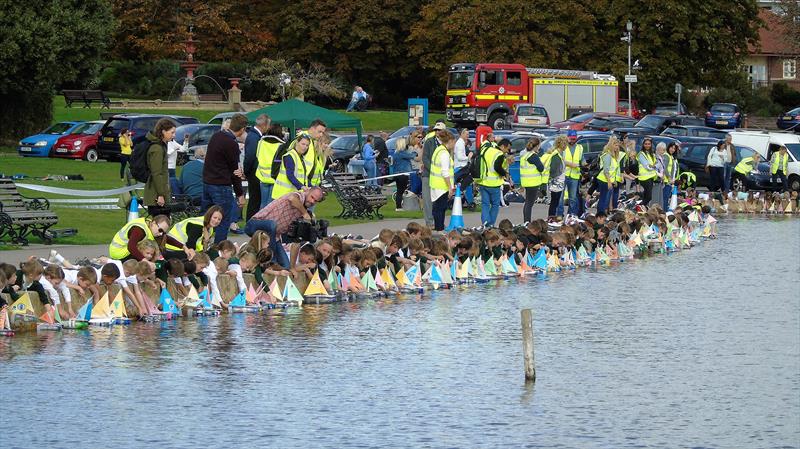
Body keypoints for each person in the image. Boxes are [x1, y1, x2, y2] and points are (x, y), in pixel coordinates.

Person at [245, 186, 325, 269]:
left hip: (273, 236)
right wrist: (305, 213)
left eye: (315, 201)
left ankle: (272, 264)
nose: (312, 201)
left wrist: (293, 268)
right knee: (272, 225)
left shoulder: (303, 215)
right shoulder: (300, 196)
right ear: (308, 192)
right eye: (312, 197)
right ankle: (272, 261)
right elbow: (292, 199)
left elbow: (296, 243)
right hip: (254, 225)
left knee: (286, 266)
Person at [203, 113, 247, 243]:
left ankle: (200, 243)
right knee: (223, 219)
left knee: (205, 218)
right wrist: (240, 194)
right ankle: (219, 248)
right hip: (221, 185)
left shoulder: (216, 136)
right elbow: (235, 171)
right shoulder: (231, 144)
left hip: (207, 182)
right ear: (243, 129)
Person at [109, 215, 194, 263]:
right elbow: (131, 247)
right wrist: (145, 261)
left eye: (163, 232)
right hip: (119, 253)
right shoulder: (139, 230)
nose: (160, 233)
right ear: (153, 223)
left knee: (155, 256)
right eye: (160, 230)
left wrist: (184, 248)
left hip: (126, 251)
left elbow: (167, 238)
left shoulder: (150, 226)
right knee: (150, 253)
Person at [144, 118, 175, 217]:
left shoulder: (161, 146)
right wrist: (161, 195)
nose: (173, 135)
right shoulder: (157, 149)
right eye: (172, 132)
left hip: (159, 192)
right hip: (156, 195)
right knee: (160, 225)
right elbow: (156, 173)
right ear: (163, 132)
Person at [243, 114, 271, 221]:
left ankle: (252, 221)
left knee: (256, 199)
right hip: (254, 173)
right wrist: (247, 171)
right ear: (264, 125)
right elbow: (250, 157)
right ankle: (251, 222)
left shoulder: (253, 136)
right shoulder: (254, 137)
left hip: (254, 172)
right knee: (255, 199)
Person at [477, 136, 508, 227]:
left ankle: (485, 222)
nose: (507, 151)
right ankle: (490, 224)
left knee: (485, 204)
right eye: (507, 148)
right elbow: (497, 167)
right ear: (502, 146)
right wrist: (504, 173)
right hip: (494, 183)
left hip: (483, 181)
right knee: (495, 204)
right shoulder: (499, 154)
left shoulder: (486, 150)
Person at [421, 121, 446, 227]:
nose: (437, 132)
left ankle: (438, 222)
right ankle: (429, 222)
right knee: (427, 199)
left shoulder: (446, 142)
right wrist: (433, 169)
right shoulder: (429, 142)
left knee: (439, 200)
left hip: (441, 176)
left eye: (439, 130)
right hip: (428, 174)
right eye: (436, 130)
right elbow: (425, 157)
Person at [255, 123, 285, 209]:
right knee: (271, 206)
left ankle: (261, 221)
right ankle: (267, 222)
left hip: (262, 176)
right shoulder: (281, 145)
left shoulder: (261, 142)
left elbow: (257, 155)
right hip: (275, 178)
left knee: (263, 204)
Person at [430, 132, 456, 231]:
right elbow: (445, 172)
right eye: (454, 142)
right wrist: (450, 187)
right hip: (442, 185)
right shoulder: (444, 154)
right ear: (450, 141)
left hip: (436, 184)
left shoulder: (438, 150)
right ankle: (440, 229)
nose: (454, 145)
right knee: (441, 209)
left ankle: (438, 228)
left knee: (437, 209)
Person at [272, 135, 312, 199]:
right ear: (297, 143)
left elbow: (303, 177)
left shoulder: (300, 157)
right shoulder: (290, 156)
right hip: (282, 195)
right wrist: (301, 186)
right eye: (303, 144)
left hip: (291, 195)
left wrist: (312, 187)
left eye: (307, 145)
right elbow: (290, 175)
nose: (305, 147)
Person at [520, 137, 545, 223]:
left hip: (526, 182)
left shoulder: (525, 155)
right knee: (529, 204)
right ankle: (527, 222)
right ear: (537, 146)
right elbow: (541, 168)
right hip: (533, 182)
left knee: (527, 203)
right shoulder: (533, 156)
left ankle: (526, 221)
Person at [563, 130, 586, 216]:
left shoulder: (579, 148)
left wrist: (585, 164)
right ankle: (559, 215)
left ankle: (571, 215)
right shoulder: (564, 147)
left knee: (573, 198)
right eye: (571, 139)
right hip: (564, 174)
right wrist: (571, 164)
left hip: (575, 176)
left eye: (574, 139)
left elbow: (582, 159)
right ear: (567, 138)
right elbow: (561, 160)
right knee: (561, 198)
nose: (572, 141)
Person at [596, 137, 620, 215]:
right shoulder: (608, 156)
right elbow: (606, 170)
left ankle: (602, 215)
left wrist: (614, 180)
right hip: (604, 180)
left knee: (606, 198)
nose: (617, 147)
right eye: (615, 145)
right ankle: (600, 215)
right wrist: (609, 182)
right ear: (611, 145)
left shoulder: (613, 156)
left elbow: (613, 170)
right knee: (603, 199)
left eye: (617, 145)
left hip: (608, 180)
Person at [392, 137, 415, 210]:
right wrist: (415, 151)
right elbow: (411, 156)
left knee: (400, 191)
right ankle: (398, 207)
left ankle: (399, 206)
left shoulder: (396, 153)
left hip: (397, 174)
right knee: (401, 191)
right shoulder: (401, 153)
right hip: (402, 174)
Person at [453, 128, 475, 208]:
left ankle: (469, 201)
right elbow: (459, 157)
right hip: (460, 168)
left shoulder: (461, 143)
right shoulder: (460, 144)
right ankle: (469, 201)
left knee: (467, 184)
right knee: (466, 184)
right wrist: (468, 157)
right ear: (462, 134)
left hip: (461, 167)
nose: (468, 136)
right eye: (466, 134)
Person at [547, 136, 567, 218]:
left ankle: (552, 217)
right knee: (554, 202)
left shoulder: (559, 154)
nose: (566, 145)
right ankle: (551, 218)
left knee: (555, 202)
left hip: (558, 182)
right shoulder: (556, 155)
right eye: (565, 143)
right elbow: (553, 170)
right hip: (556, 182)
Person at [637, 137, 658, 205]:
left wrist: (654, 166)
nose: (647, 145)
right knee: (649, 197)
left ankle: (641, 206)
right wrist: (654, 166)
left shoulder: (651, 154)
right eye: (645, 144)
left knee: (646, 196)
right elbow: (647, 167)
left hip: (651, 177)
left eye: (649, 144)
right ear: (643, 145)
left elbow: (657, 163)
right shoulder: (641, 154)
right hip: (644, 178)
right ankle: (640, 206)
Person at [663, 142, 680, 210]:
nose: (672, 150)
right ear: (668, 147)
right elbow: (665, 168)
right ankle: (664, 211)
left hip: (671, 181)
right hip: (667, 180)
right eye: (671, 147)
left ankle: (665, 210)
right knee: (665, 197)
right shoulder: (666, 155)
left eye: (674, 148)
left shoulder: (672, 157)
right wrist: (669, 178)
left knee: (667, 197)